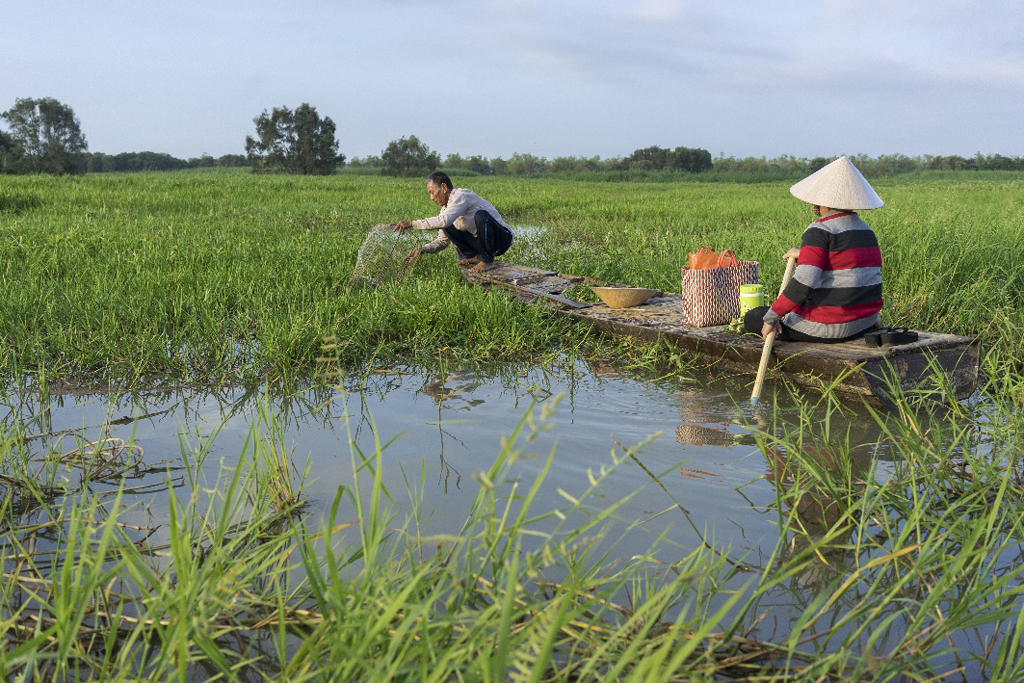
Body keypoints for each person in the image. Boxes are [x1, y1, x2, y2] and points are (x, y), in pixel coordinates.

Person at [744, 156, 884, 342]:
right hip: (863, 323)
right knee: (782, 310)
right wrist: (804, 254)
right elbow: (844, 261)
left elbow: (803, 284)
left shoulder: (821, 229)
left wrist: (772, 317)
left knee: (753, 316)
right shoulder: (866, 231)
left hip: (828, 329)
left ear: (821, 202)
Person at [393, 171, 513, 273]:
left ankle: (487, 261)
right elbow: (442, 241)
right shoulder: (445, 210)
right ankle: (474, 257)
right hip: (482, 243)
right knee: (447, 225)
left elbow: (444, 221)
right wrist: (422, 249)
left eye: (432, 192)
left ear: (444, 188)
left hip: (501, 240)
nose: (431, 198)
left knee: (481, 216)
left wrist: (412, 224)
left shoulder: (461, 195)